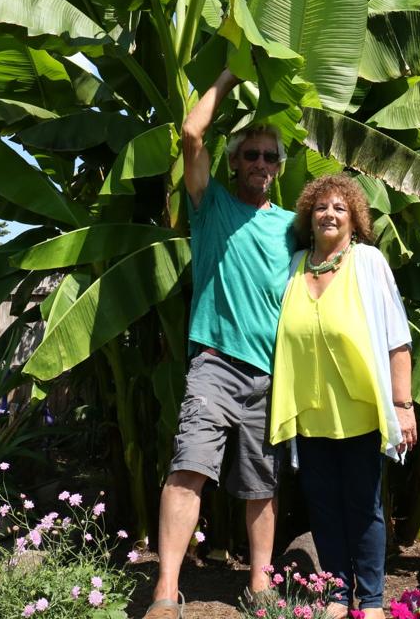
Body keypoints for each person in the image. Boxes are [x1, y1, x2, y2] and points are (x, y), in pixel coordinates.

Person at [143, 70, 295, 619]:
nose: (259, 163)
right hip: (214, 364)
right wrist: (230, 77)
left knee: (262, 483)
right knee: (189, 467)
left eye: (268, 157)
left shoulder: (291, 228)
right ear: (235, 162)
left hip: (271, 372)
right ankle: (166, 589)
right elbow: (190, 135)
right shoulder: (212, 207)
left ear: (279, 168)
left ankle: (259, 584)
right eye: (250, 154)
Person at [269, 174, 417, 619]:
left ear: (354, 219)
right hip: (309, 413)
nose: (329, 214)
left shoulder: (368, 262)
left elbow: (397, 338)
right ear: (308, 218)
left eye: (339, 208)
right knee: (324, 508)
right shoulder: (294, 266)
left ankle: (371, 600)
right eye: (320, 207)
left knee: (364, 506)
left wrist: (403, 404)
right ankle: (336, 592)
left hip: (359, 411)